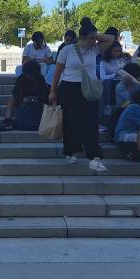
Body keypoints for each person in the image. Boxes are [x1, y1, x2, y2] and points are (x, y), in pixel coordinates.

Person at [49, 17, 115, 172]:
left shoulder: (95, 49)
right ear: (82, 37)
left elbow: (111, 39)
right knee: (70, 122)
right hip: (69, 87)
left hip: (88, 88)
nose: (94, 41)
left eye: (95, 38)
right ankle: (71, 151)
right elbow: (58, 71)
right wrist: (53, 90)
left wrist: (95, 34)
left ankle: (94, 156)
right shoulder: (67, 50)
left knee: (91, 122)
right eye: (91, 38)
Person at [0, 60, 49, 131]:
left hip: (38, 101)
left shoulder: (40, 79)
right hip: (23, 100)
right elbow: (16, 92)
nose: (31, 77)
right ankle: (8, 119)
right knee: (12, 98)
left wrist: (37, 99)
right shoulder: (21, 79)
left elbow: (44, 92)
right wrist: (22, 99)